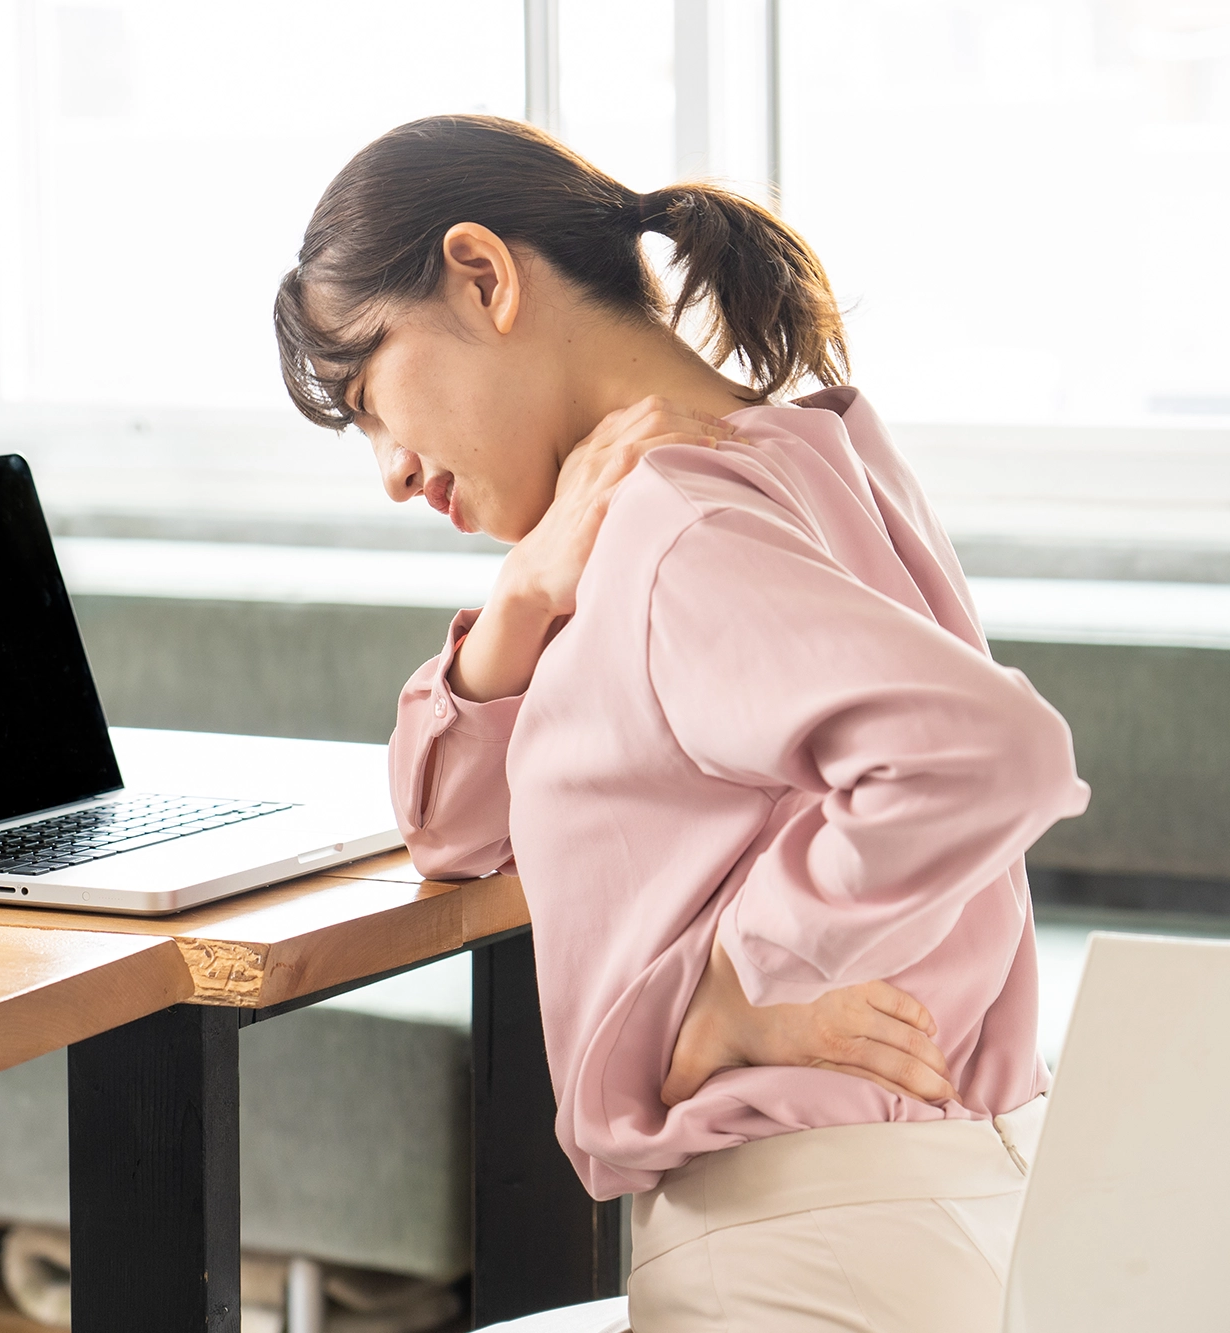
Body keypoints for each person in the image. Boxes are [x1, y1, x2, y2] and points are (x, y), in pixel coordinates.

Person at [272, 114, 1092, 1332]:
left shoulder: (672, 530)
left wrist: (740, 977)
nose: (389, 467)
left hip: (796, 1240)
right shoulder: (815, 451)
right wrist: (524, 595)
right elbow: (448, 829)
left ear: (483, 276)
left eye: (368, 391)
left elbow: (992, 755)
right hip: (953, 1203)